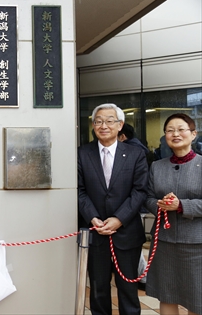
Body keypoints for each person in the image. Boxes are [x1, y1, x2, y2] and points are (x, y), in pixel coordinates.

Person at [78, 103, 148, 315]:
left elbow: (140, 191)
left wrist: (119, 218)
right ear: (93, 125)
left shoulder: (136, 154)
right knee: (98, 289)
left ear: (120, 125)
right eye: (98, 121)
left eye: (109, 121)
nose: (103, 125)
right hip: (95, 231)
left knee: (128, 290)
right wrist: (92, 218)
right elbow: (79, 190)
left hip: (126, 233)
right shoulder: (82, 153)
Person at [144, 113, 202, 315]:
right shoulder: (157, 166)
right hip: (164, 242)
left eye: (181, 129)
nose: (175, 134)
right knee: (166, 294)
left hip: (196, 244)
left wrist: (181, 206)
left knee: (197, 298)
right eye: (170, 130)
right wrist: (160, 204)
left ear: (193, 134)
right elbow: (149, 198)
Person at [118, 123, 149, 290]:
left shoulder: (135, 152)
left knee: (132, 248)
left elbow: (139, 187)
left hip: (134, 208)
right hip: (134, 208)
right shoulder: (139, 148)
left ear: (122, 136)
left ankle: (142, 277)